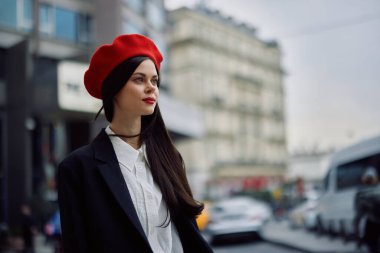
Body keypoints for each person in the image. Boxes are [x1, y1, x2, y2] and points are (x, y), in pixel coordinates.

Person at [58, 34, 213, 253]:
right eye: (139, 79)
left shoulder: (170, 158)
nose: (151, 88)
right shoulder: (77, 168)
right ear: (114, 89)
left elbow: (188, 236)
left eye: (154, 80)